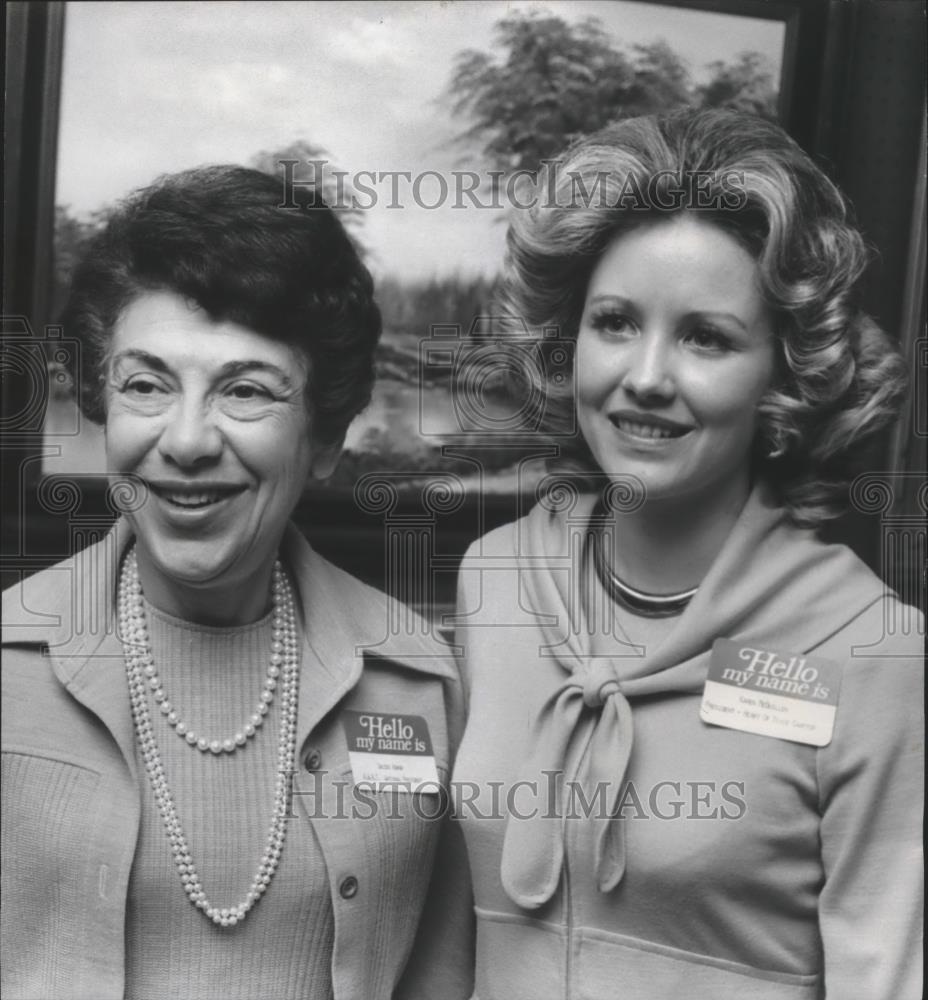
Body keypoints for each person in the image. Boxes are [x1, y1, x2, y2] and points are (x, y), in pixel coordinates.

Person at [452, 109, 923, 999]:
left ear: (784, 375)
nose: (647, 377)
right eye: (617, 322)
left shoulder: (875, 654)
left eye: (707, 337)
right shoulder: (496, 580)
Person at [1, 165, 473, 1000]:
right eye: (145, 384)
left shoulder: (418, 680)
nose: (185, 440)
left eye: (246, 391)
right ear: (102, 408)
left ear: (324, 439)